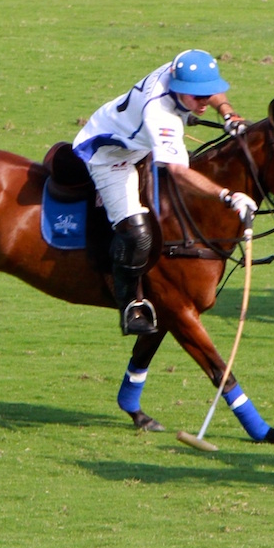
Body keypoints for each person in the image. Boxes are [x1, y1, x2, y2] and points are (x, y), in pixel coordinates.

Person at [73, 50, 254, 336]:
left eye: (207, 96)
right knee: (137, 233)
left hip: (138, 142)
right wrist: (227, 196)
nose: (204, 102)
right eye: (197, 97)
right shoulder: (160, 115)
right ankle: (130, 305)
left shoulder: (182, 67)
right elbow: (178, 172)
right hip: (109, 153)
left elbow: (212, 89)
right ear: (178, 88)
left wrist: (228, 113)